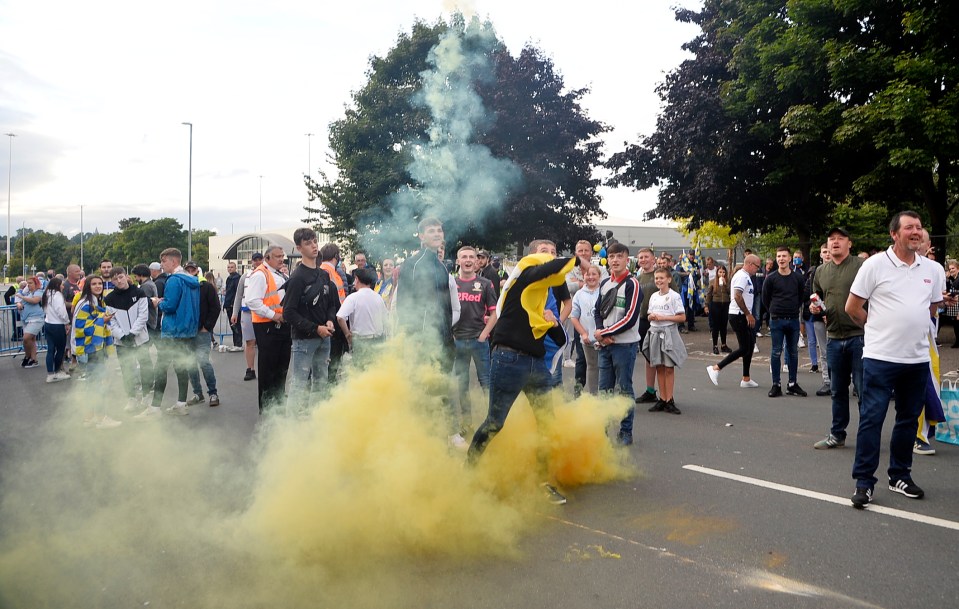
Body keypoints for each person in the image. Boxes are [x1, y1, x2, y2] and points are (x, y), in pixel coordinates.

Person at [845, 211, 948, 508]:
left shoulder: (930, 268)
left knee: (906, 421)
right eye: (909, 228)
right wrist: (878, 328)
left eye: (918, 227)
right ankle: (864, 482)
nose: (915, 232)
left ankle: (899, 476)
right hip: (880, 358)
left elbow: (931, 308)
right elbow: (853, 307)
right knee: (872, 420)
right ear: (894, 234)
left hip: (916, 360)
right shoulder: (875, 265)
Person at [466, 251, 575, 505]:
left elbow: (560, 340)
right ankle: (468, 472)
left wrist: (554, 323)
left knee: (547, 424)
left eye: (552, 252)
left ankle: (542, 483)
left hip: (536, 365)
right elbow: (544, 270)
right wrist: (575, 259)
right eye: (544, 253)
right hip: (509, 361)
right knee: (495, 422)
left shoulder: (542, 303)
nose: (549, 257)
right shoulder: (520, 283)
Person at [394, 217, 462, 445]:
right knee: (423, 387)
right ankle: (419, 435)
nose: (436, 234)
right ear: (421, 236)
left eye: (439, 230)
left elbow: (447, 306)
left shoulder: (442, 266)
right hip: (424, 340)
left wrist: (449, 336)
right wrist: (415, 338)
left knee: (442, 386)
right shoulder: (412, 264)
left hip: (444, 339)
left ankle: (444, 432)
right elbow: (405, 304)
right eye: (431, 231)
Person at [810, 228, 864, 449]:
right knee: (837, 390)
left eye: (840, 239)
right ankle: (837, 434)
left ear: (849, 244)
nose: (835, 242)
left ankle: (867, 436)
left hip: (859, 336)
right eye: (831, 239)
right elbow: (817, 299)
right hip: (833, 337)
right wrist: (815, 308)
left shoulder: (861, 267)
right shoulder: (821, 271)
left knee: (863, 390)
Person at [283, 228, 339, 416]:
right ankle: (291, 427)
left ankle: (317, 419)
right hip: (304, 341)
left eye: (315, 241)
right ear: (299, 248)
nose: (314, 245)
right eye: (308, 243)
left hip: (325, 338)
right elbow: (288, 313)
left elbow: (331, 303)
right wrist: (316, 328)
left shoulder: (323, 274)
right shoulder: (297, 278)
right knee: (299, 383)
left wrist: (330, 321)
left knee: (321, 382)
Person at [141, 248, 199, 419]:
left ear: (174, 262)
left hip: (173, 330)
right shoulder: (192, 280)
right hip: (187, 330)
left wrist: (157, 303)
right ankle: (181, 404)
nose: (162, 265)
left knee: (160, 368)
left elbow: (171, 306)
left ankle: (155, 408)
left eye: (164, 261)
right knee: (181, 366)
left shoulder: (173, 280)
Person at [594, 242, 643, 446]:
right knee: (604, 390)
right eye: (612, 256)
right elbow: (598, 311)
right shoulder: (605, 283)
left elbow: (630, 318)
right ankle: (602, 431)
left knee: (624, 389)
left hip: (625, 346)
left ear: (627, 259)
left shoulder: (633, 284)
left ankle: (625, 432)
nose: (615, 260)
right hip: (605, 346)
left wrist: (603, 332)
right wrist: (601, 335)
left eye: (619, 256)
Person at [450, 246, 498, 440]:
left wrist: (484, 334)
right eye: (464, 257)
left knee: (486, 383)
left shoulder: (485, 284)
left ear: (477, 261)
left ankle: (492, 422)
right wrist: (451, 334)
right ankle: (467, 424)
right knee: (462, 385)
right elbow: (445, 312)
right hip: (458, 341)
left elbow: (495, 313)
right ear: (458, 260)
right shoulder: (451, 283)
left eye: (472, 257)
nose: (468, 260)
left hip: (479, 341)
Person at [247, 244, 292, 414]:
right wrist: (274, 315)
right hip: (268, 326)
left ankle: (277, 406)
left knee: (281, 368)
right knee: (269, 370)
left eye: (282, 256)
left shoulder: (278, 273)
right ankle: (266, 409)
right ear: (267, 258)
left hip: (280, 325)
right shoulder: (260, 274)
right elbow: (252, 301)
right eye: (278, 256)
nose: (281, 259)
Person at [706, 254, 762, 388]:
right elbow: (737, 295)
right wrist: (748, 314)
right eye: (757, 266)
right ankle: (716, 368)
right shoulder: (742, 276)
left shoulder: (746, 276)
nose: (758, 269)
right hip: (739, 315)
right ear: (750, 264)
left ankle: (746, 378)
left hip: (743, 314)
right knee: (744, 348)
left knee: (749, 346)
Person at [73, 276, 121, 429]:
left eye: (100, 283)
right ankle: (101, 418)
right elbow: (81, 327)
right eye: (94, 284)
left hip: (94, 348)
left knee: (92, 384)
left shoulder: (96, 302)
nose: (98, 286)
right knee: (98, 383)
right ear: (88, 286)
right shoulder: (86, 303)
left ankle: (90, 418)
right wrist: (103, 321)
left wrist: (101, 319)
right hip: (90, 349)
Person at [104, 267, 153, 412]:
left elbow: (143, 316)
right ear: (112, 281)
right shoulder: (109, 298)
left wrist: (132, 334)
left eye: (120, 277)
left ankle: (146, 396)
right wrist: (122, 336)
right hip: (122, 342)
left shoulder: (139, 293)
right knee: (127, 371)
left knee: (146, 368)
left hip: (141, 339)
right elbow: (111, 322)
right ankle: (132, 398)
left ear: (126, 276)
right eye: (114, 279)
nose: (118, 280)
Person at [762, 246, 807, 398]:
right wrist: (774, 311)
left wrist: (792, 308)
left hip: (793, 320)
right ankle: (776, 384)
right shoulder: (771, 278)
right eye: (779, 256)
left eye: (784, 256)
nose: (781, 259)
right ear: (776, 259)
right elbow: (765, 299)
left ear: (790, 259)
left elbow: (801, 296)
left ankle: (792, 384)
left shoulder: (798, 278)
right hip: (776, 321)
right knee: (776, 352)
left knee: (793, 352)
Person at [643, 266, 688, 414]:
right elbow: (649, 314)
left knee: (669, 367)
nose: (659, 281)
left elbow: (682, 317)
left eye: (662, 278)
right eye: (656, 278)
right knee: (659, 367)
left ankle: (670, 399)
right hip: (655, 332)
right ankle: (662, 398)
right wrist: (652, 317)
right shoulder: (654, 296)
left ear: (669, 279)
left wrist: (664, 318)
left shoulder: (674, 296)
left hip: (669, 332)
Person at [336, 267, 389, 369]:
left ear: (357, 279)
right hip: (378, 341)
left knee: (360, 373)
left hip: (361, 342)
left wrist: (347, 335)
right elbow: (386, 320)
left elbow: (340, 317)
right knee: (375, 372)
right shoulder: (378, 298)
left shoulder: (353, 298)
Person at [184, 262, 220, 407]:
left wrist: (207, 326)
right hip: (187, 333)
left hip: (202, 332)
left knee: (204, 362)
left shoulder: (206, 287)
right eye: (188, 269)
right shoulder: (183, 286)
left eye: (193, 269)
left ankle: (213, 393)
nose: (191, 271)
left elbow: (216, 307)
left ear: (197, 271)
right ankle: (198, 394)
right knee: (190, 364)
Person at [569, 265, 602, 396]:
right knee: (592, 367)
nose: (591, 277)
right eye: (588, 274)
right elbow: (574, 316)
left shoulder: (604, 291)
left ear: (599, 276)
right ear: (583, 277)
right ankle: (593, 395)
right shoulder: (579, 294)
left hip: (604, 337)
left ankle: (606, 395)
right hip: (588, 339)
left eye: (594, 274)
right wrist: (583, 333)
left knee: (606, 368)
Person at [232, 253, 263, 381]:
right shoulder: (245, 276)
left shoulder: (267, 275)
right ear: (252, 262)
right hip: (247, 312)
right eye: (255, 260)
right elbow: (239, 295)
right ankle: (250, 369)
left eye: (259, 260)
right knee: (249, 342)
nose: (257, 262)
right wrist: (235, 313)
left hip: (262, 312)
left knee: (263, 343)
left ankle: (264, 368)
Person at [40, 277, 71, 383]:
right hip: (57, 325)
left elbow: (44, 309)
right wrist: (67, 322)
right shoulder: (57, 295)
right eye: (62, 284)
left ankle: (50, 374)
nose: (63, 286)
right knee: (60, 350)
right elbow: (61, 311)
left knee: (50, 349)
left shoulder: (46, 293)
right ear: (57, 285)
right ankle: (57, 372)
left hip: (48, 323)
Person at [15, 275, 44, 368]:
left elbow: (35, 300)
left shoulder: (39, 292)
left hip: (36, 318)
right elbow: (19, 300)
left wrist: (22, 298)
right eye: (28, 283)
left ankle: (27, 356)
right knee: (31, 340)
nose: (29, 285)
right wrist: (19, 303)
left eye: (31, 283)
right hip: (26, 318)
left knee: (26, 338)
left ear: (36, 283)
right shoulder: (27, 293)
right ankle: (34, 359)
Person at [704, 265, 731, 355]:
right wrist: (706, 305)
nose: (722, 274)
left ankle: (724, 345)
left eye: (723, 272)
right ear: (717, 273)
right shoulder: (712, 282)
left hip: (725, 304)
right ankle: (715, 345)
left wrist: (726, 284)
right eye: (720, 272)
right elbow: (708, 295)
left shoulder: (728, 281)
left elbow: (730, 292)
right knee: (715, 326)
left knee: (724, 326)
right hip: (715, 304)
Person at [223, 261, 244, 351]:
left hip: (233, 305)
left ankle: (238, 344)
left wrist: (233, 304)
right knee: (233, 325)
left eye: (231, 267)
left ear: (235, 268)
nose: (230, 268)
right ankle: (236, 343)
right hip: (228, 305)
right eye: (228, 267)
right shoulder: (229, 278)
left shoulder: (237, 278)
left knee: (236, 325)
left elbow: (237, 293)